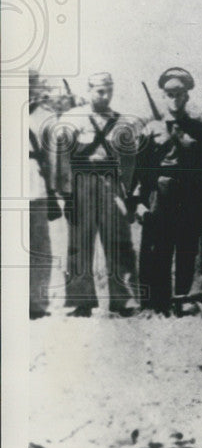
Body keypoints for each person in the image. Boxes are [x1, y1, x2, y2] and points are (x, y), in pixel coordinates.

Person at [131, 68, 202, 314]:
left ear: (187, 96)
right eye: (170, 94)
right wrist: (138, 201)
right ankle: (155, 304)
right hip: (160, 191)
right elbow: (141, 168)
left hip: (189, 193)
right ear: (163, 96)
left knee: (189, 247)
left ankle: (187, 300)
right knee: (156, 248)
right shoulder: (151, 129)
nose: (175, 98)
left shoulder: (199, 130)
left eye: (180, 93)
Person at [55, 72, 139, 316]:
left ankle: (122, 300)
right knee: (79, 243)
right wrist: (65, 192)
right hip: (81, 182)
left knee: (118, 241)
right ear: (90, 89)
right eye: (100, 91)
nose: (105, 95)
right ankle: (82, 301)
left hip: (110, 183)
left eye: (109, 90)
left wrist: (128, 191)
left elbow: (129, 160)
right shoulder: (72, 118)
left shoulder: (122, 122)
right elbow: (61, 157)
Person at [27, 70, 62, 318]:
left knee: (39, 246)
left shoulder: (46, 118)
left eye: (29, 84)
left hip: (34, 185)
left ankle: (36, 303)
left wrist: (52, 191)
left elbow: (52, 159)